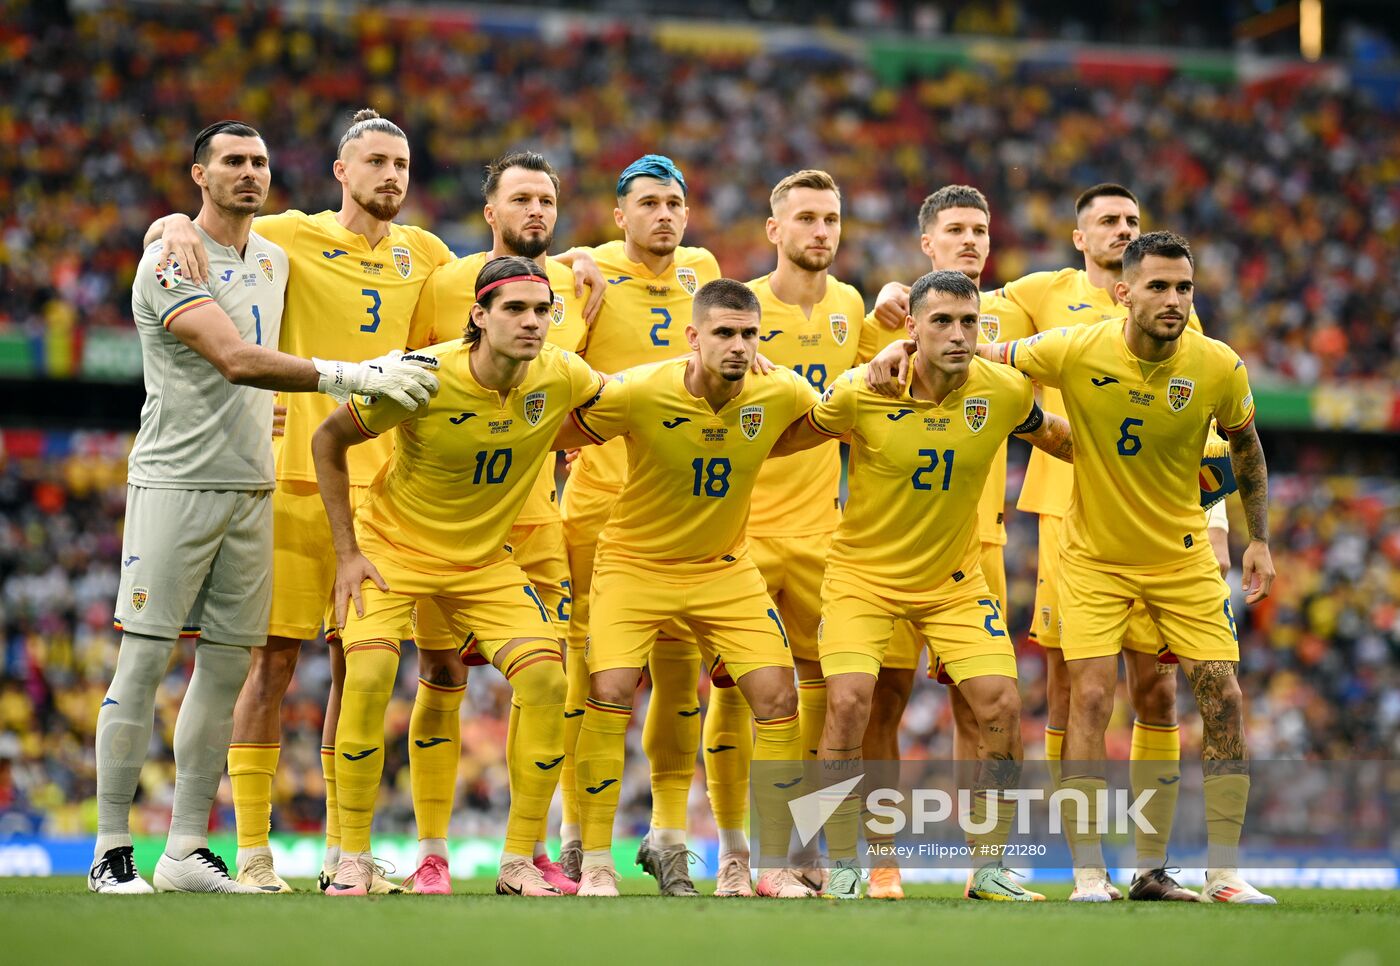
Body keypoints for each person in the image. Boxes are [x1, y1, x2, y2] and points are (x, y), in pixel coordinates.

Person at [91, 120, 438, 895]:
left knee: (221, 671)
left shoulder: (276, 257)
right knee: (145, 661)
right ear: (199, 174)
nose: (249, 173)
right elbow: (238, 357)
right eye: (232, 163)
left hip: (256, 485)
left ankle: (185, 849)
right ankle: (112, 846)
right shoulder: (170, 257)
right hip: (175, 483)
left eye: (259, 162)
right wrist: (357, 376)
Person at [872, 183, 1224, 900]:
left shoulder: (1167, 307)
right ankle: (1070, 865)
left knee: (1147, 689)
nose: (1124, 229)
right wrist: (891, 294)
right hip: (1059, 518)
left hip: (1122, 526)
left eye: (1133, 219)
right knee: (1065, 693)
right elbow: (946, 320)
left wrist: (1217, 522)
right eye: (1108, 220)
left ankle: (1123, 866)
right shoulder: (1032, 295)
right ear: (1077, 235)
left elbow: (1210, 429)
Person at [977, 231, 1276, 904]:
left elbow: (1246, 447)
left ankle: (1224, 873)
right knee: (1089, 699)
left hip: (1181, 554)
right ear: (1123, 292)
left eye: (1184, 288)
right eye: (1159, 286)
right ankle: (1089, 875)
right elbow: (982, 351)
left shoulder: (1218, 365)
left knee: (1222, 695)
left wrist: (1257, 537)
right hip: (1094, 560)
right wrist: (907, 347)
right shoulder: (1076, 348)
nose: (1174, 300)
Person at [772, 269, 1070, 901]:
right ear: (912, 328)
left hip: (954, 582)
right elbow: (786, 439)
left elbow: (1063, 440)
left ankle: (989, 868)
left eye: (969, 322)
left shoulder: (1007, 391)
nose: (959, 335)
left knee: (1002, 705)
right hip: (862, 577)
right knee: (850, 703)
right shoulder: (861, 389)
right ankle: (846, 860)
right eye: (941, 321)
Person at [311, 256, 604, 897]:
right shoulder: (422, 377)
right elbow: (328, 442)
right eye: (515, 310)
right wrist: (347, 552)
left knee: (548, 678)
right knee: (366, 674)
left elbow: (630, 398)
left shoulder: (561, 373)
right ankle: (353, 857)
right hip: (392, 552)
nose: (533, 322)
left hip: (484, 562)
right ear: (479, 316)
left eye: (543, 310)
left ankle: (519, 861)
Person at [555, 279, 818, 898]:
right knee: (611, 689)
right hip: (633, 562)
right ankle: (595, 861)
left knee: (780, 696)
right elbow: (561, 429)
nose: (738, 346)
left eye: (749, 334)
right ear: (693, 337)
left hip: (723, 568)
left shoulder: (779, 390)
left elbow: (831, 417)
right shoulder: (642, 389)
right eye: (724, 333)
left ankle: (771, 864)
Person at [407, 150, 591, 893]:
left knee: (546, 675)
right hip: (445, 523)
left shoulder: (579, 283)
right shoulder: (445, 280)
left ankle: (530, 849)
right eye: (521, 199)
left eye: (547, 199)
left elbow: (580, 392)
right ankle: (429, 849)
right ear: (491, 211)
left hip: (536, 516)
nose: (536, 212)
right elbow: (411, 382)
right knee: (441, 671)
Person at [856, 185, 1035, 899]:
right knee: (883, 699)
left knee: (981, 705)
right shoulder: (888, 318)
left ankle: (985, 864)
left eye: (981, 230)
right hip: (890, 548)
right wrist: (892, 319)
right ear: (926, 241)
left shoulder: (1014, 312)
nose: (971, 240)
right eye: (955, 229)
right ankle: (881, 861)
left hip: (979, 540)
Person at [555, 155, 723, 894]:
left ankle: (667, 833)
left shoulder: (702, 268)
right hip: (599, 509)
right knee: (591, 677)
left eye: (676, 203)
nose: (665, 214)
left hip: (685, 510)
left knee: (682, 677)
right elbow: (553, 382)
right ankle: (573, 835)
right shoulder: (584, 274)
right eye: (649, 203)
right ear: (618, 214)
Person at [701, 168, 869, 897]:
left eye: (830, 218)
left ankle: (798, 846)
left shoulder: (853, 306)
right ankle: (735, 852)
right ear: (775, 230)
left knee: (823, 691)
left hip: (820, 535)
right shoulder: (742, 312)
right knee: (736, 694)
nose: (820, 231)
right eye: (805, 218)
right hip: (739, 531)